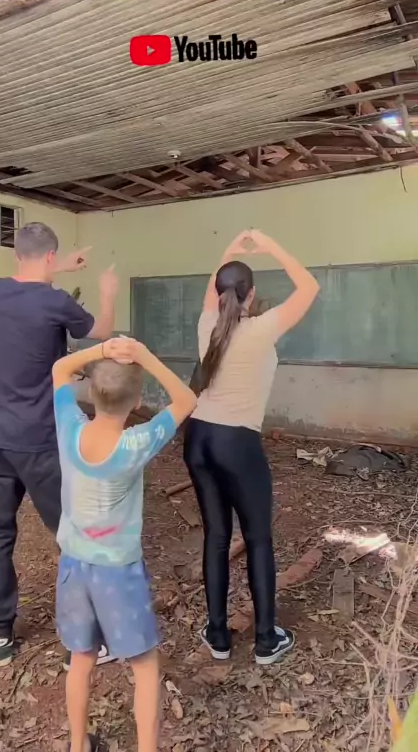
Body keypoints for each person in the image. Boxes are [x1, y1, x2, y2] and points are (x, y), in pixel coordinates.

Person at [0, 222, 118, 667]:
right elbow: (101, 329)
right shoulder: (56, 302)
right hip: (39, 439)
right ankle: (86, 637)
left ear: (16, 253)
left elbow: (29, 288)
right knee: (71, 536)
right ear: (52, 257)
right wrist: (107, 291)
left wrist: (60, 267)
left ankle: (0, 635)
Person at [52, 335, 197, 752]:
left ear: (91, 393)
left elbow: (60, 369)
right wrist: (145, 356)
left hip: (73, 566)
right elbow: (186, 400)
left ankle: (78, 745)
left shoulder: (69, 427)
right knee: (145, 667)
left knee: (81, 658)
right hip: (118, 573)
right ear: (136, 403)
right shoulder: (137, 442)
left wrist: (102, 351)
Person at [183, 229, 320, 666]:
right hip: (236, 443)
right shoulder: (262, 329)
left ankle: (218, 635)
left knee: (216, 536)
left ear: (218, 291)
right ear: (252, 294)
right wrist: (268, 244)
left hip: (198, 439)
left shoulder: (206, 323)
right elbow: (309, 286)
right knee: (258, 538)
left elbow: (215, 284)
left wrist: (232, 248)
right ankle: (265, 640)